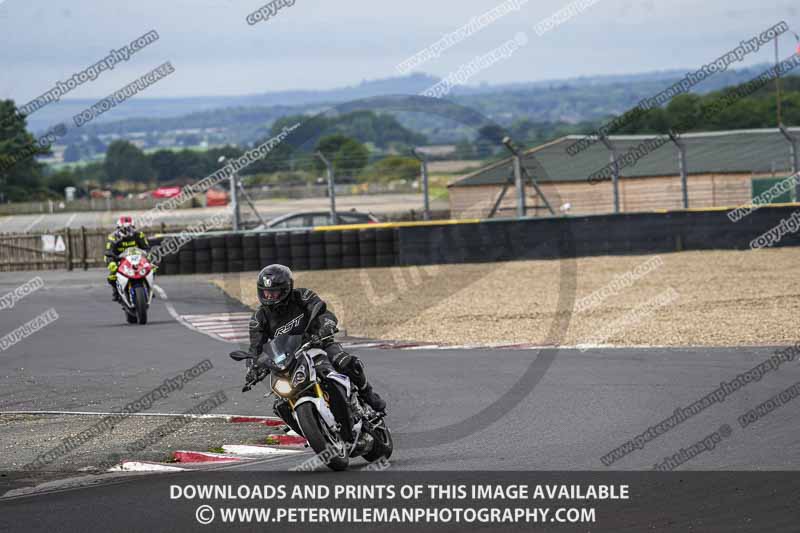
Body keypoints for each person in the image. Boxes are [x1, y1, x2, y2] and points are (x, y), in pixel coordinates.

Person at [248, 264, 386, 412]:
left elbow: (324, 313)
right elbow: (256, 347)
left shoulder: (302, 296)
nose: (268, 296)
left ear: (286, 289)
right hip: (289, 359)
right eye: (266, 292)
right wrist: (254, 367)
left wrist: (325, 326)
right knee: (280, 404)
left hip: (318, 344)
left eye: (273, 292)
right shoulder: (259, 318)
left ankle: (368, 394)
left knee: (347, 363)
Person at [104, 215, 150, 302]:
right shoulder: (113, 237)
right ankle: (116, 292)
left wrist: (148, 255)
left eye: (129, 228)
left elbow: (146, 248)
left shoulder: (139, 235)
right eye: (124, 228)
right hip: (119, 259)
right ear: (119, 228)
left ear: (133, 227)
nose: (127, 230)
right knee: (111, 276)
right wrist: (112, 260)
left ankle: (148, 288)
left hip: (136, 258)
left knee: (151, 268)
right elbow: (109, 251)